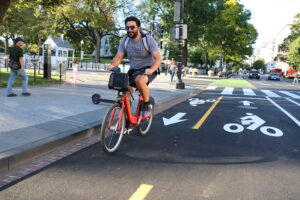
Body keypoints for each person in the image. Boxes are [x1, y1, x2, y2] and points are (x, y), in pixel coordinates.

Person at [109, 16, 161, 116]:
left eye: (132, 27)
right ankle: (127, 121)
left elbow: (158, 58)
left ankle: (146, 103)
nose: (129, 30)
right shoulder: (125, 41)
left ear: (138, 28)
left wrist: (152, 69)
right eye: (127, 28)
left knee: (140, 81)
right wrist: (112, 65)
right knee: (125, 94)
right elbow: (119, 56)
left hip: (148, 69)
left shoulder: (147, 40)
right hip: (134, 70)